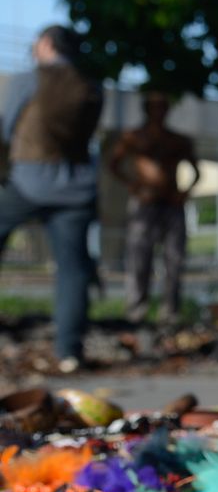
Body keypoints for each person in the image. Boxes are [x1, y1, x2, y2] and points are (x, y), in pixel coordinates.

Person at [0, 26, 104, 373]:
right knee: (72, 270)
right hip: (76, 188)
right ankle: (69, 351)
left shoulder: (28, 80)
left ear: (46, 44)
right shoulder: (91, 86)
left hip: (27, 180)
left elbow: (5, 128)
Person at [109, 93, 198, 325]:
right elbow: (114, 164)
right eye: (155, 107)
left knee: (174, 258)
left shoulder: (177, 140)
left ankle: (170, 310)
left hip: (171, 203)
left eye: (163, 107)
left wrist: (184, 192)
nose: (159, 111)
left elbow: (196, 171)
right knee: (139, 257)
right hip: (145, 204)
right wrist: (133, 185)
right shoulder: (134, 138)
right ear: (147, 110)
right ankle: (136, 310)